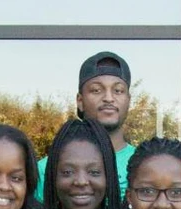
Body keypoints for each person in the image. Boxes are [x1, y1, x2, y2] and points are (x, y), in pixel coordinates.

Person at [36, 51, 137, 191]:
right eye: (96, 90)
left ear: (128, 101)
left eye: (118, 90)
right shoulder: (47, 169)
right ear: (80, 101)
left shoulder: (145, 163)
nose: (109, 98)